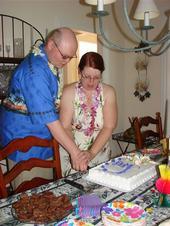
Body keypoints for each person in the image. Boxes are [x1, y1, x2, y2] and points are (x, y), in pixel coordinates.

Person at [0, 27, 89, 186]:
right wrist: (75, 153)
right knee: (30, 199)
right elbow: (49, 119)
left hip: (41, 139)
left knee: (47, 192)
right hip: (24, 143)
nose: (67, 61)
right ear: (50, 44)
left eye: (71, 57)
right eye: (65, 56)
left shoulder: (49, 61)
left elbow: (49, 103)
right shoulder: (35, 72)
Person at [59, 51, 118, 176]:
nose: (91, 82)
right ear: (79, 72)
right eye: (87, 76)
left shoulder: (108, 92)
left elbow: (109, 126)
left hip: (99, 154)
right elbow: (65, 127)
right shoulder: (69, 92)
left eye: (96, 77)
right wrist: (77, 154)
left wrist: (91, 153)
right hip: (72, 155)